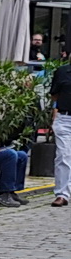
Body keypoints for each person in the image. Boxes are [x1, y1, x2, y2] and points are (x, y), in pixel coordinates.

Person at [51, 57, 71, 207]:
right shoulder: (62, 72)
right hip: (65, 118)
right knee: (63, 155)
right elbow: (54, 95)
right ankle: (62, 194)